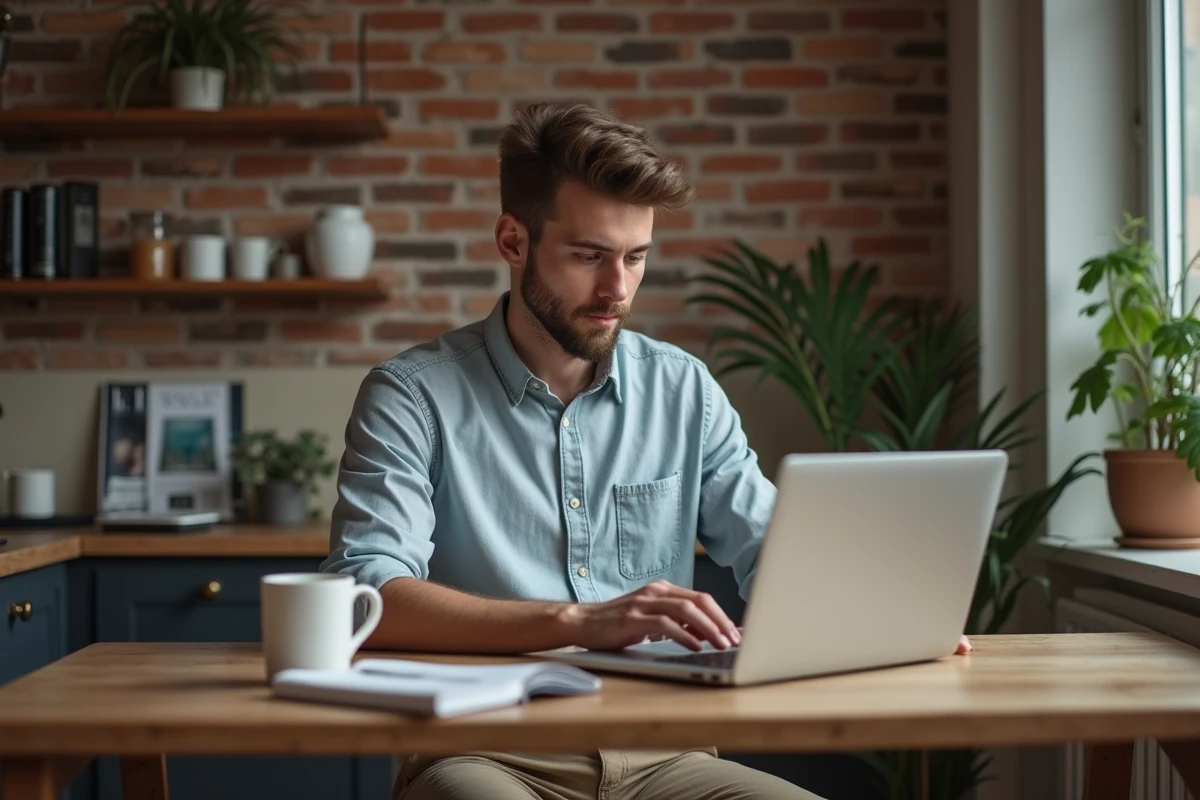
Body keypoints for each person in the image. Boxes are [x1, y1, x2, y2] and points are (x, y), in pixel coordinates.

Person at [321, 103, 970, 800]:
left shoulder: (684, 389)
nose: (617, 290)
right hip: (484, 755)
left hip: (669, 757)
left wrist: (885, 618)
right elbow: (367, 595)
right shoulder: (411, 395)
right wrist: (579, 623)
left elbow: (777, 552)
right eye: (589, 256)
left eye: (636, 257)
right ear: (513, 241)